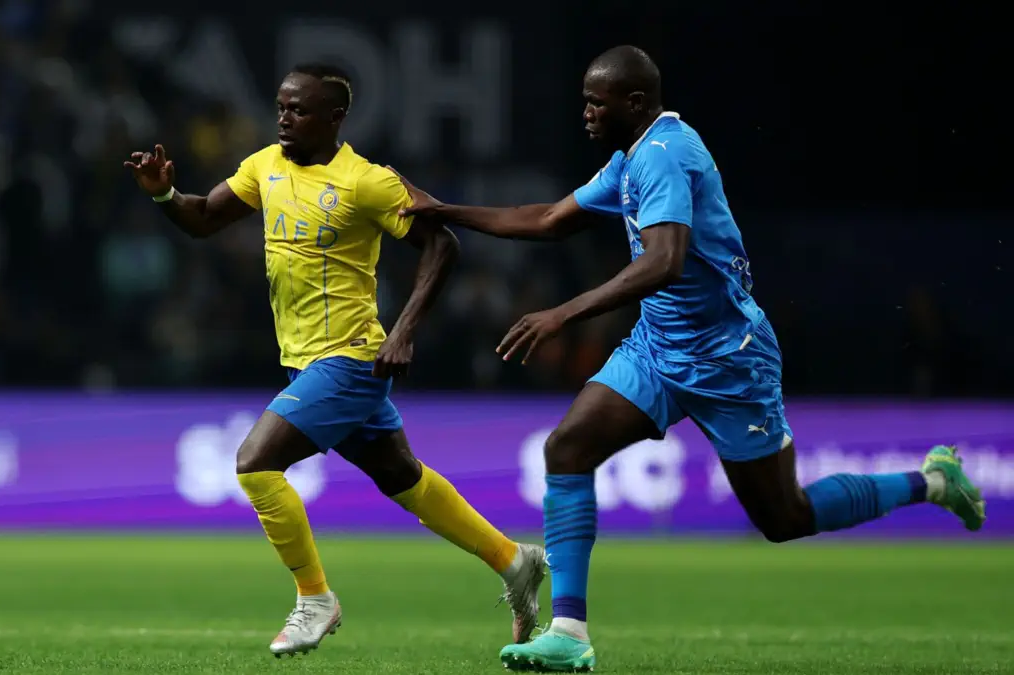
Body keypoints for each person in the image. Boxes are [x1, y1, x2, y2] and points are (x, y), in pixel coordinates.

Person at [394, 45, 986, 672]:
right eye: (585, 102)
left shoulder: (665, 154)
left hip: (729, 359)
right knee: (567, 449)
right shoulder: (628, 158)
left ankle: (933, 481)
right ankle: (568, 632)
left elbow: (664, 261)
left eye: (597, 103)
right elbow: (547, 218)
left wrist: (563, 313)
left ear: (636, 102)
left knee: (785, 516)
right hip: (657, 349)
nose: (586, 113)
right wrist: (445, 210)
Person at [124, 63, 546, 657]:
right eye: (281, 107)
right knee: (402, 477)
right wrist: (164, 194)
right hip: (303, 361)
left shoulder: (365, 182)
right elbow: (202, 218)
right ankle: (514, 560)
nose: (284, 118)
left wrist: (404, 331)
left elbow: (441, 242)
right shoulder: (264, 166)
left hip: (351, 358)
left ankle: (315, 598)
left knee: (255, 463)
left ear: (335, 118)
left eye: (299, 110)